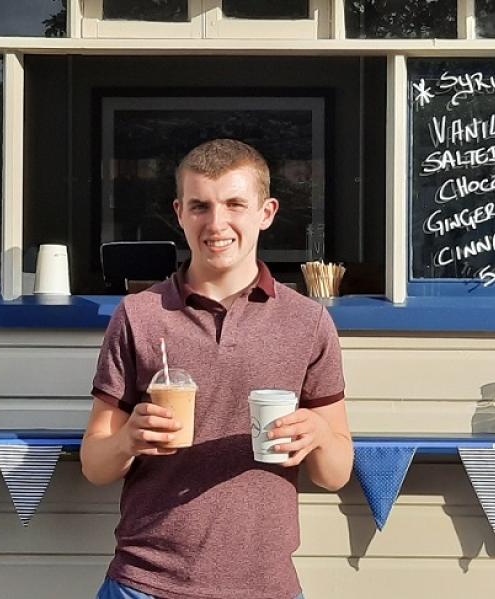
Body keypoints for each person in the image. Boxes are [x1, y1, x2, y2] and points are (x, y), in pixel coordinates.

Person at [81, 139, 353, 599]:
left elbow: (336, 473)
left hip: (266, 587)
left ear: (266, 212)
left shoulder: (307, 321)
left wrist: (320, 436)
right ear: (179, 213)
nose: (216, 223)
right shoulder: (139, 315)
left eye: (234, 204)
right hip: (145, 584)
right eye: (200, 206)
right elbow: (94, 464)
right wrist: (127, 440)